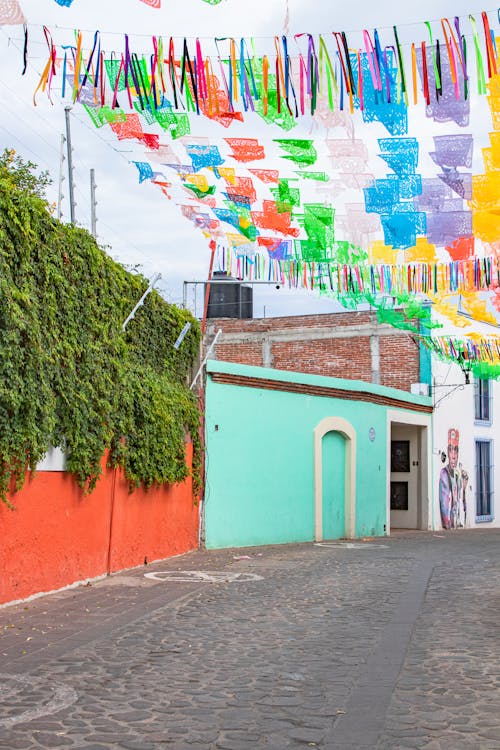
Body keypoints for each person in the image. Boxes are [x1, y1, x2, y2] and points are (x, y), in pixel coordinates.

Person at [439, 428, 468, 529]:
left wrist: (463, 489)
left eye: (456, 450)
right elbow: (445, 507)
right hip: (450, 525)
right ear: (447, 452)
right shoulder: (444, 474)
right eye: (451, 450)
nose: (454, 456)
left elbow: (462, 507)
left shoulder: (459, 474)